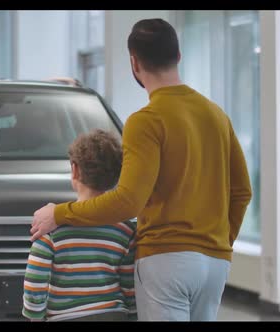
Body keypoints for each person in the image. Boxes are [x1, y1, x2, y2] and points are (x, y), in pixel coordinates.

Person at [30, 18, 253, 321]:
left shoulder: (146, 119)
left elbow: (127, 201)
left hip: (166, 259)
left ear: (134, 63)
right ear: (178, 56)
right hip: (214, 263)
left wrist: (59, 213)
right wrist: (222, 241)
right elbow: (242, 191)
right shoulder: (216, 115)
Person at [23, 129, 136, 322]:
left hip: (66, 316)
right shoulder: (125, 230)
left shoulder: (50, 226)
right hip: (114, 314)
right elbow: (130, 285)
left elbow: (35, 282)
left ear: (75, 170)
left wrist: (34, 316)